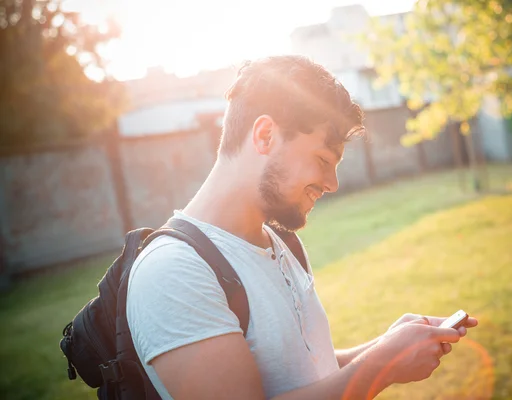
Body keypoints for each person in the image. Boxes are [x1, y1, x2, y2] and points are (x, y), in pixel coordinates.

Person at [126, 55, 478, 400]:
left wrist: (386, 345)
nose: (332, 183)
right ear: (265, 136)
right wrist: (382, 365)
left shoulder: (282, 243)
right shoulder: (173, 271)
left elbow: (302, 374)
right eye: (323, 160)